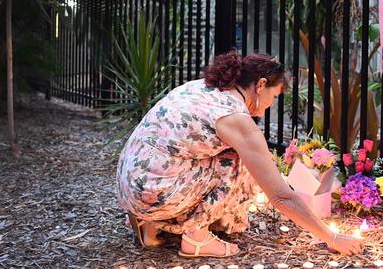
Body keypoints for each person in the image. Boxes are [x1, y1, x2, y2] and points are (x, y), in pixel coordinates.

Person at [116, 50, 364, 258]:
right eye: (274, 97)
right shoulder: (236, 119)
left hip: (130, 182)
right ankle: (197, 239)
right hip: (155, 192)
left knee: (201, 155)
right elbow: (280, 196)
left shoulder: (201, 88)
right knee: (238, 160)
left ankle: (150, 225)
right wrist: (331, 236)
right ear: (261, 85)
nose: (270, 106)